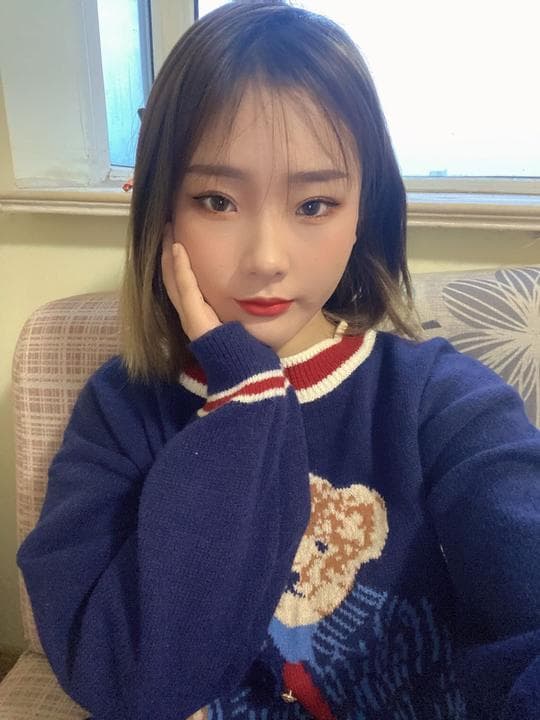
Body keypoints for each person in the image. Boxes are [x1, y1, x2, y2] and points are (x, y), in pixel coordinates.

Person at [16, 2, 539, 719]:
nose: (266, 258)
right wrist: (245, 399)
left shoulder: (440, 401)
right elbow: (129, 682)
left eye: (314, 204)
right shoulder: (122, 410)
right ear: (162, 211)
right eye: (216, 200)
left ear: (364, 211)